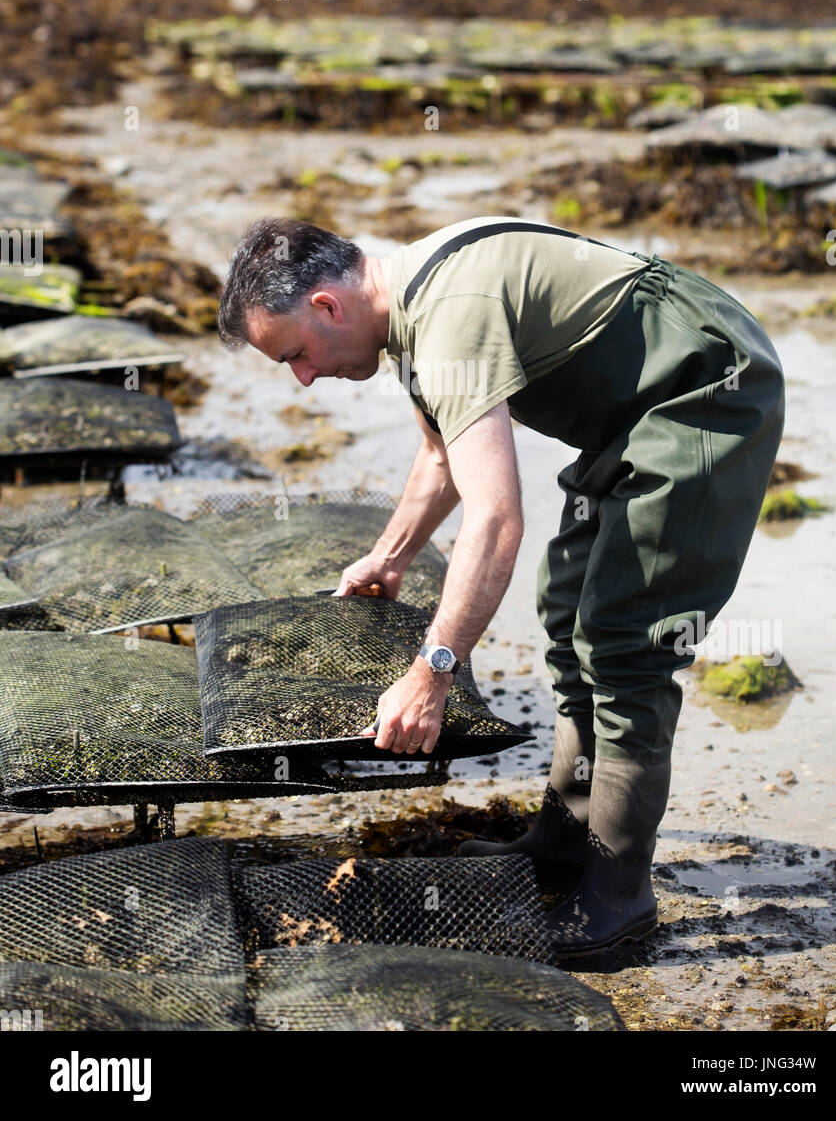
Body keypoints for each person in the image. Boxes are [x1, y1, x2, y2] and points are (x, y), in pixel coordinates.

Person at [217, 214, 785, 961]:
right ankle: (562, 837)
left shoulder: (449, 318)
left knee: (625, 639)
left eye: (294, 354)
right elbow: (442, 452)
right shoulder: (412, 312)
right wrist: (389, 557)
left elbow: (496, 520)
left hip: (708, 387)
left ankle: (618, 899)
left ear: (327, 305)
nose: (303, 377)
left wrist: (433, 671)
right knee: (566, 608)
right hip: (632, 418)